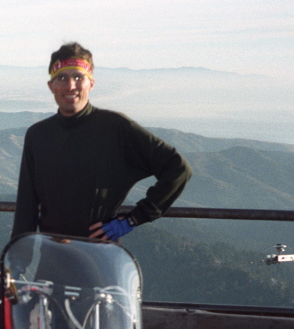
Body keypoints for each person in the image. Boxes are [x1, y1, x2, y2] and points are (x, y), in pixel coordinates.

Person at [11, 42, 192, 241]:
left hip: (101, 257)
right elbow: (26, 207)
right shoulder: (38, 135)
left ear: (91, 83)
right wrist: (13, 266)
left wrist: (133, 219)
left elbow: (178, 168)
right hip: (53, 258)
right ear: (51, 86)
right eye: (62, 77)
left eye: (78, 77)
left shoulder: (115, 128)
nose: (70, 86)